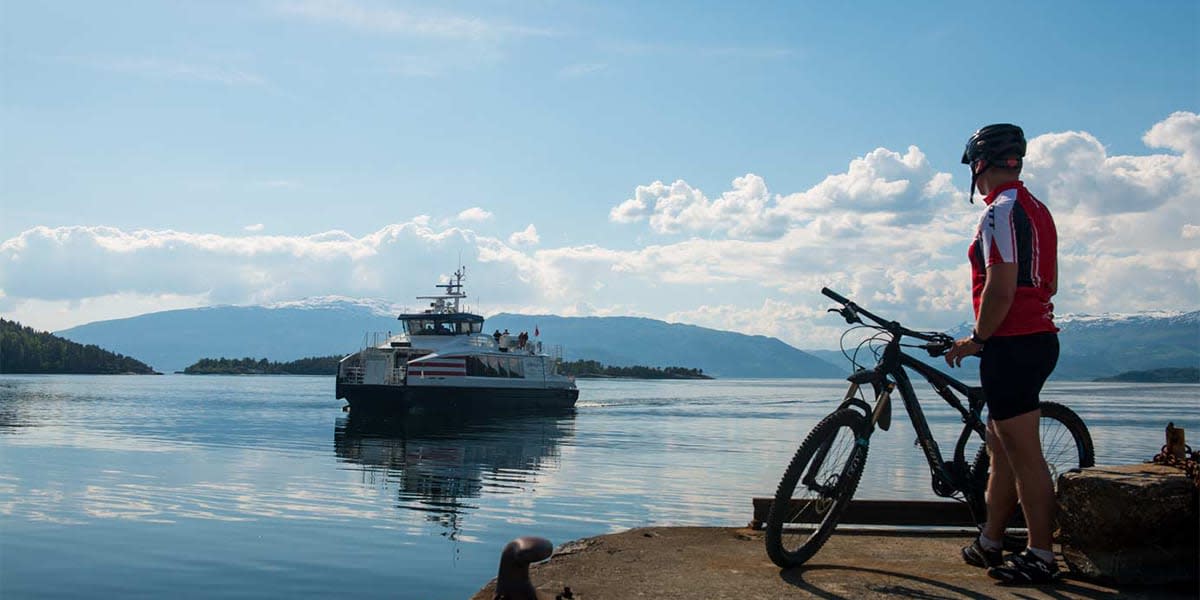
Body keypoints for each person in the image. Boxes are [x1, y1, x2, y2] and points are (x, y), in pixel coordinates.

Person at [944, 123, 1061, 585]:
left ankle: (1040, 555)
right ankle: (991, 539)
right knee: (1000, 448)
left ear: (978, 167)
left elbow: (1000, 285)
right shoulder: (1036, 208)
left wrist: (977, 337)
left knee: (1023, 454)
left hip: (1012, 343)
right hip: (1037, 338)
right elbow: (1048, 281)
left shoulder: (998, 212)